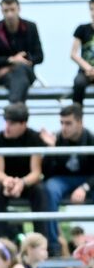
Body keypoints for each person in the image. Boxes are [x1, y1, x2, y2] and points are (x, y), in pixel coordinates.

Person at [0, 102, 49, 240]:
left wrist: (22, 183)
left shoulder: (34, 137)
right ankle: (0, 241)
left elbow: (36, 172)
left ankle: (41, 242)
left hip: (27, 182)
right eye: (6, 122)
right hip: (6, 181)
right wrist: (7, 181)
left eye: (11, 124)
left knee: (40, 190)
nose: (7, 127)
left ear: (23, 124)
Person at [39, 104, 94, 246]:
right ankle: (53, 245)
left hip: (87, 180)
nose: (64, 127)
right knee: (49, 189)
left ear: (80, 122)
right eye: (62, 123)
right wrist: (51, 150)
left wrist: (85, 187)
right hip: (62, 180)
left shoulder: (91, 139)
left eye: (68, 123)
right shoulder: (55, 138)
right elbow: (46, 173)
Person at [0, 0, 42, 105]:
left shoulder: (31, 27)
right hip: (4, 77)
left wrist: (21, 62)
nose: (9, 14)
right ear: (1, 11)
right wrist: (12, 60)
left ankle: (14, 109)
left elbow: (39, 56)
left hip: (24, 71)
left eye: (12, 10)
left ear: (18, 9)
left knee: (21, 70)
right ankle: (18, 111)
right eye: (6, 11)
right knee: (21, 79)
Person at [72, 0, 94, 108]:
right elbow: (73, 54)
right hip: (85, 72)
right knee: (78, 83)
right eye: (91, 9)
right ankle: (76, 117)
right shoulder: (82, 29)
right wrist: (89, 68)